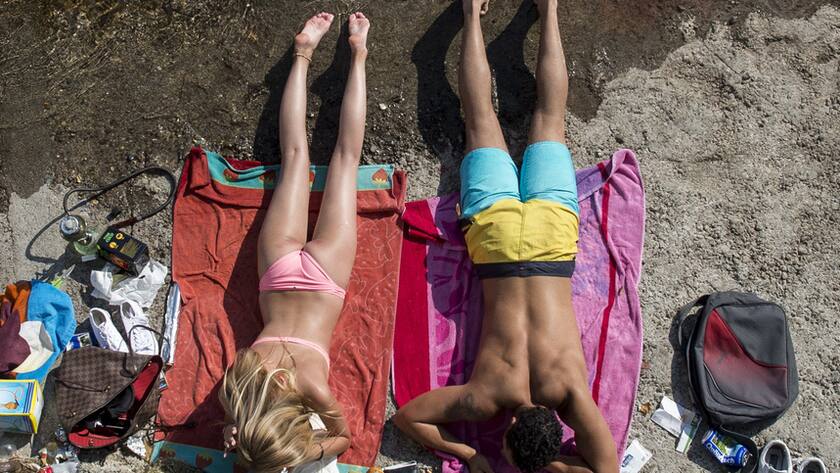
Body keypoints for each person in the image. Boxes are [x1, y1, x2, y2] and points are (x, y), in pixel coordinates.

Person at [393, 1, 619, 473]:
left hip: (551, 239)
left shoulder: (570, 395)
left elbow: (605, 470)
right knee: (479, 119)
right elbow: (408, 418)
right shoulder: (486, 397)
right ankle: (472, 17)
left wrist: (550, 463)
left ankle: (550, 10)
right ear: (512, 435)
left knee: (550, 115)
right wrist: (469, 454)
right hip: (495, 242)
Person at [218, 11, 370, 472]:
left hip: (323, 280)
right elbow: (241, 425)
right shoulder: (237, 387)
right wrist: (234, 429)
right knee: (295, 157)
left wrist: (308, 453)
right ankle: (304, 51)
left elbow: (344, 438)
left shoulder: (312, 390)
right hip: (278, 273)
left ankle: (358, 53)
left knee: (345, 160)